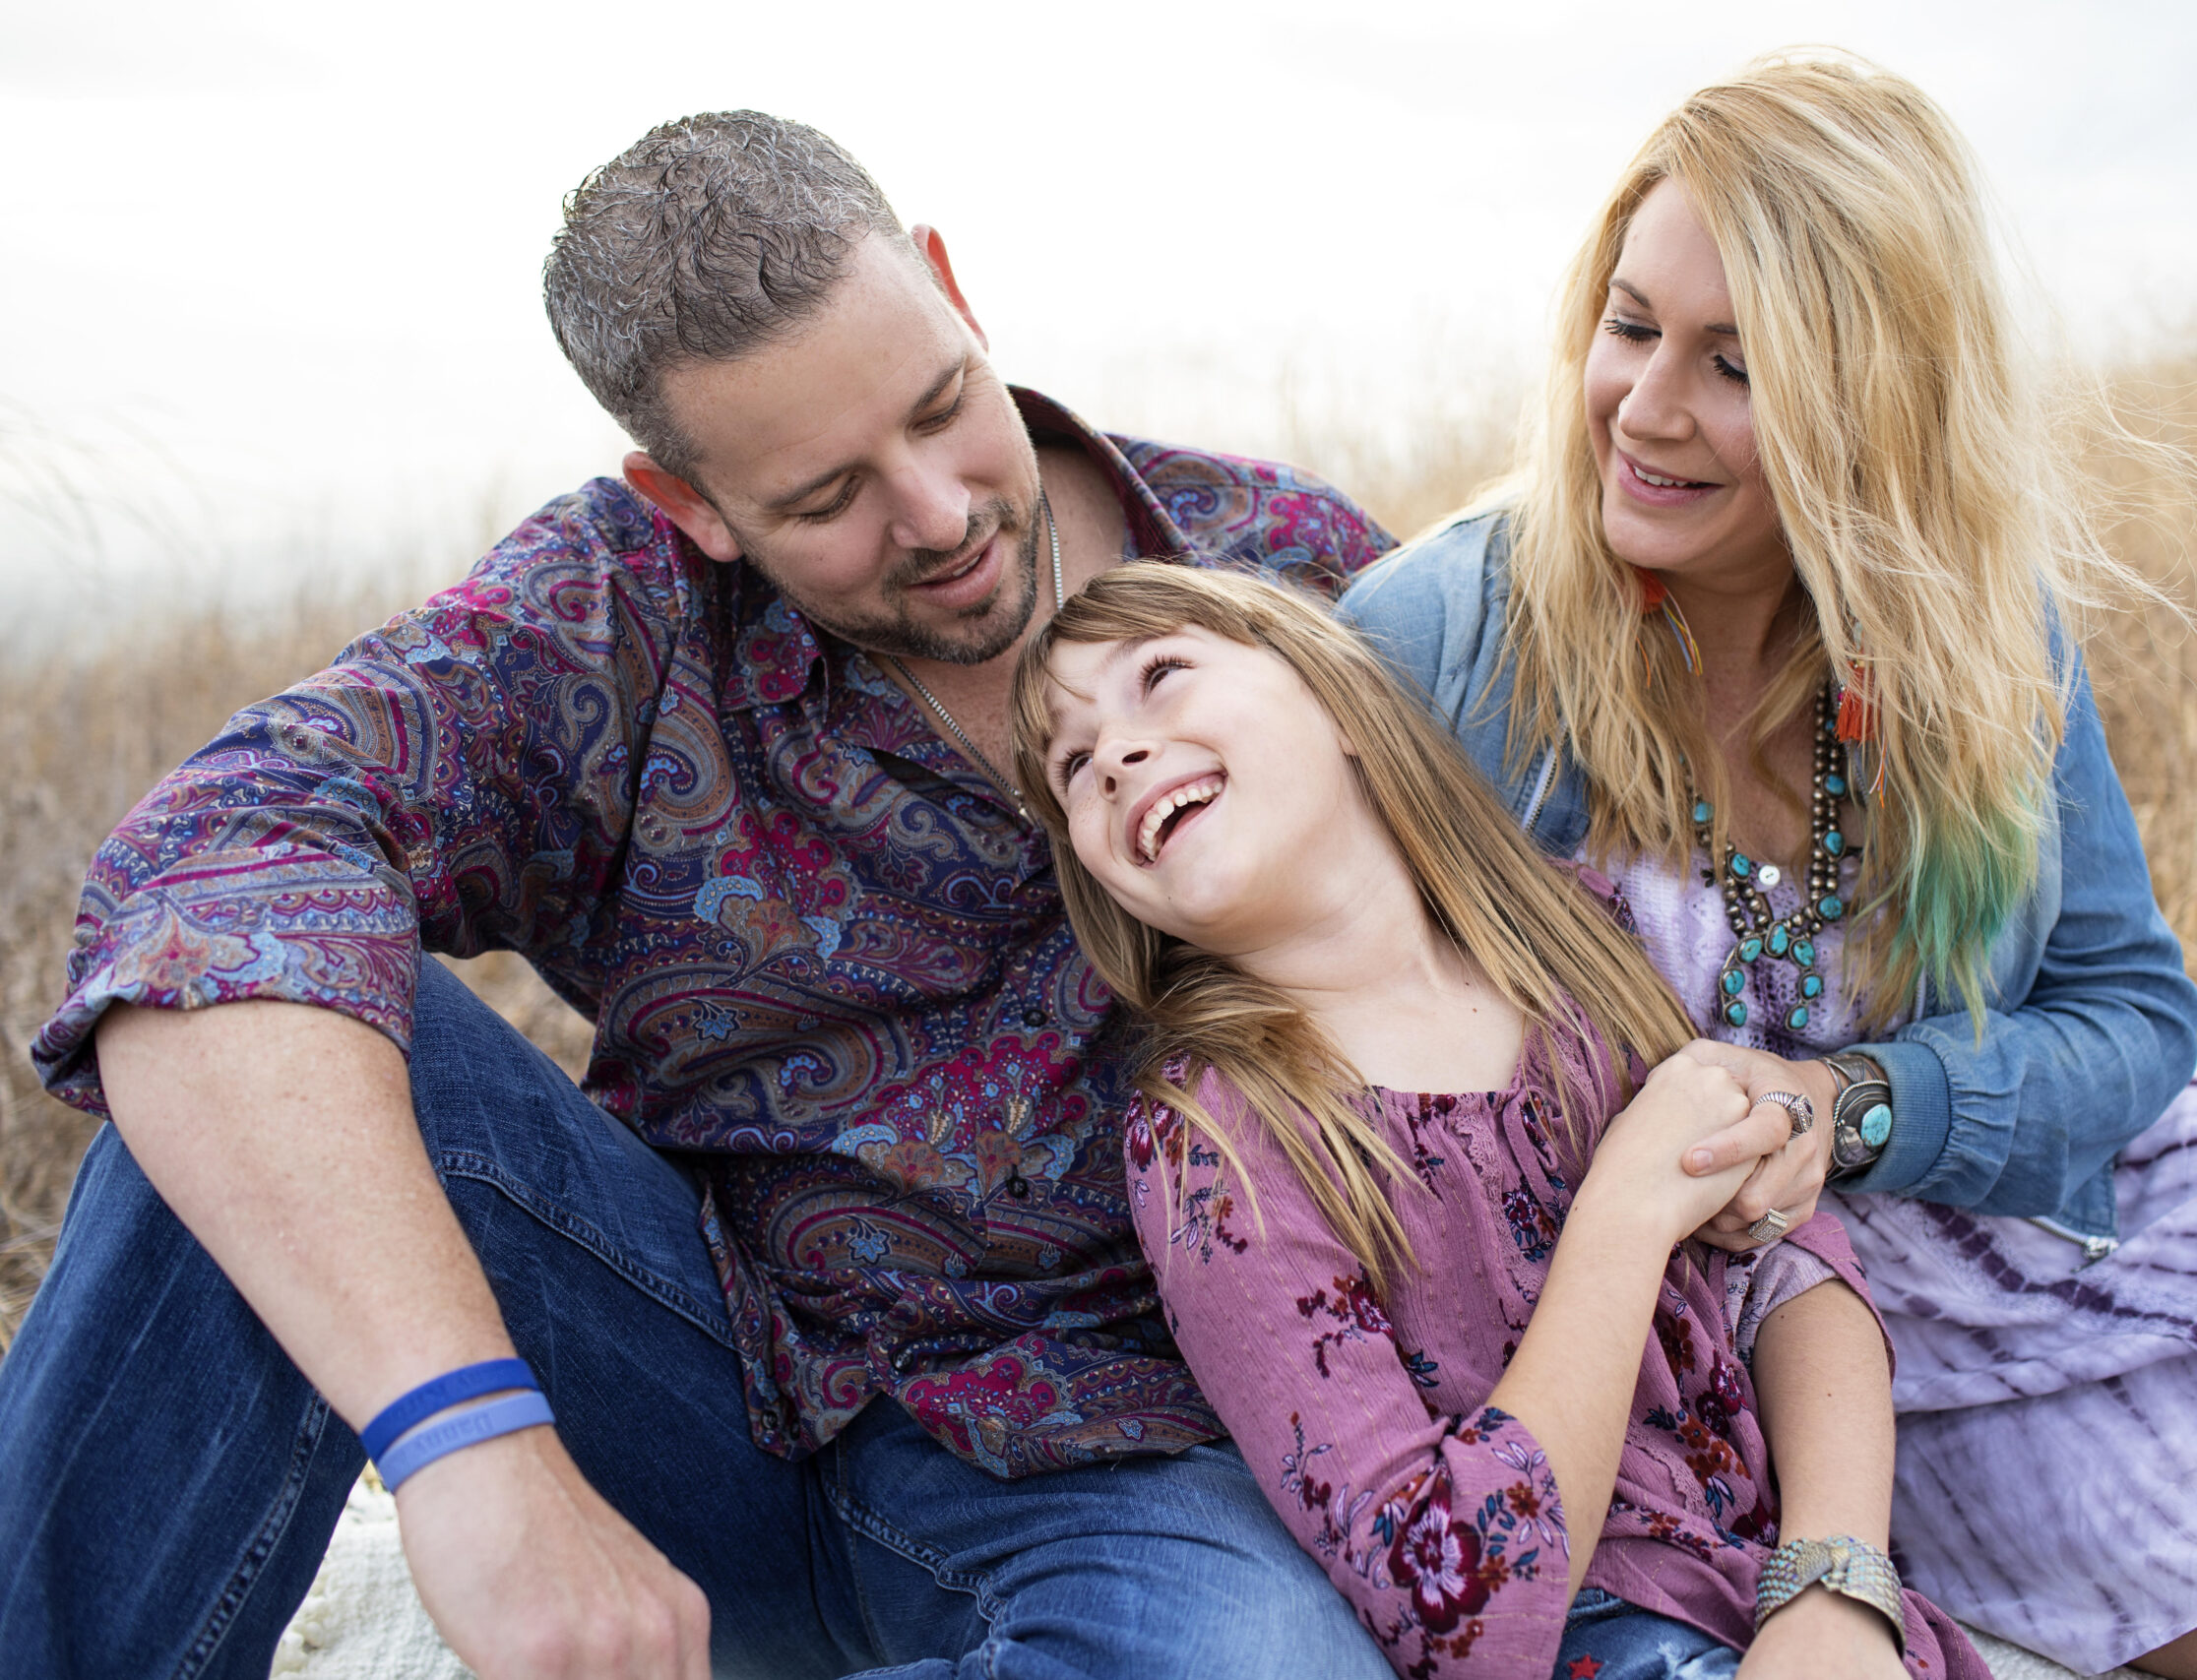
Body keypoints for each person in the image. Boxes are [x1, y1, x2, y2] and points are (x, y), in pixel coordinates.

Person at [0, 110, 1421, 1680]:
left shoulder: (1292, 571)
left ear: (948, 287)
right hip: (713, 1402)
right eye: (825, 500)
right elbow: (213, 855)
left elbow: (1557, 940)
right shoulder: (609, 615)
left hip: (1140, 1463)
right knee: (245, 1022)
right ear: (689, 500)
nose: (941, 515)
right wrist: (470, 1447)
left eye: (944, 407)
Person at [1339, 52, 2197, 1680]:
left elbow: (2131, 1013)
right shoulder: (1448, 649)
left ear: (1870, 398)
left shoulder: (1974, 629)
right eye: (1631, 327)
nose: (1648, 408)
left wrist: (1863, 1104)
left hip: (2152, 1207)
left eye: (1736, 363)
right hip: (1896, 1368)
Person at [1006, 562, 1991, 1680]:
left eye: (1161, 675)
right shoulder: (1220, 1142)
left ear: (1336, 698)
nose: (1117, 755)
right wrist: (1621, 1215)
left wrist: (1834, 1583)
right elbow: (1453, 1611)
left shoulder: (1573, 942)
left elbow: (1784, 1255)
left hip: (1782, 1594)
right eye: (1073, 768)